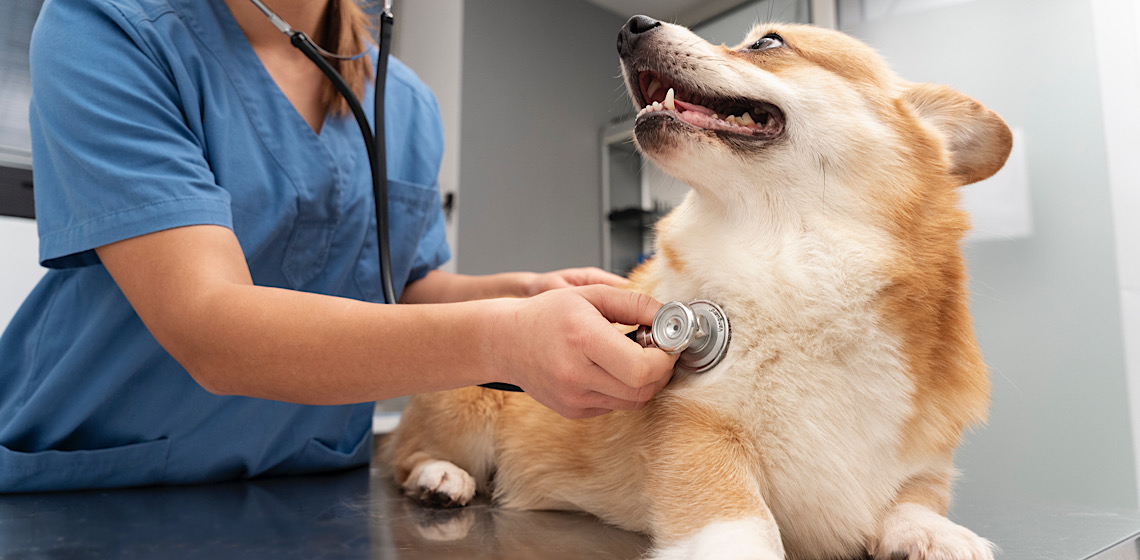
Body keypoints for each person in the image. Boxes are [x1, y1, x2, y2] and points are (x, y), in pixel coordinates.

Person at [0, 0, 677, 493]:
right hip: (99, 483)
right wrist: (506, 339)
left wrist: (525, 293)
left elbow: (399, 285)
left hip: (306, 480)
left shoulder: (404, 101)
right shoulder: (110, 29)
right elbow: (209, 326)